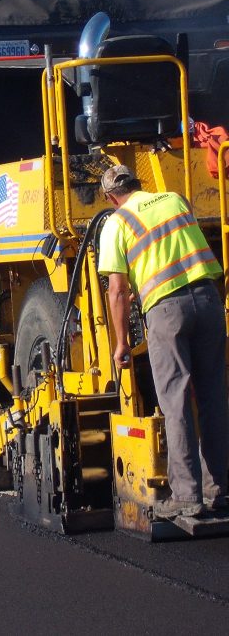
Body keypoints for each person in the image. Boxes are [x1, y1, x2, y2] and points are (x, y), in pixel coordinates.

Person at [98, 164, 229, 519]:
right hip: (208, 300)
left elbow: (117, 290)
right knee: (214, 397)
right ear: (140, 185)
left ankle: (187, 495)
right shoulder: (174, 199)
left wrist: (122, 342)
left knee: (176, 401)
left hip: (167, 311)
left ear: (111, 197)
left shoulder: (116, 223)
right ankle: (220, 490)